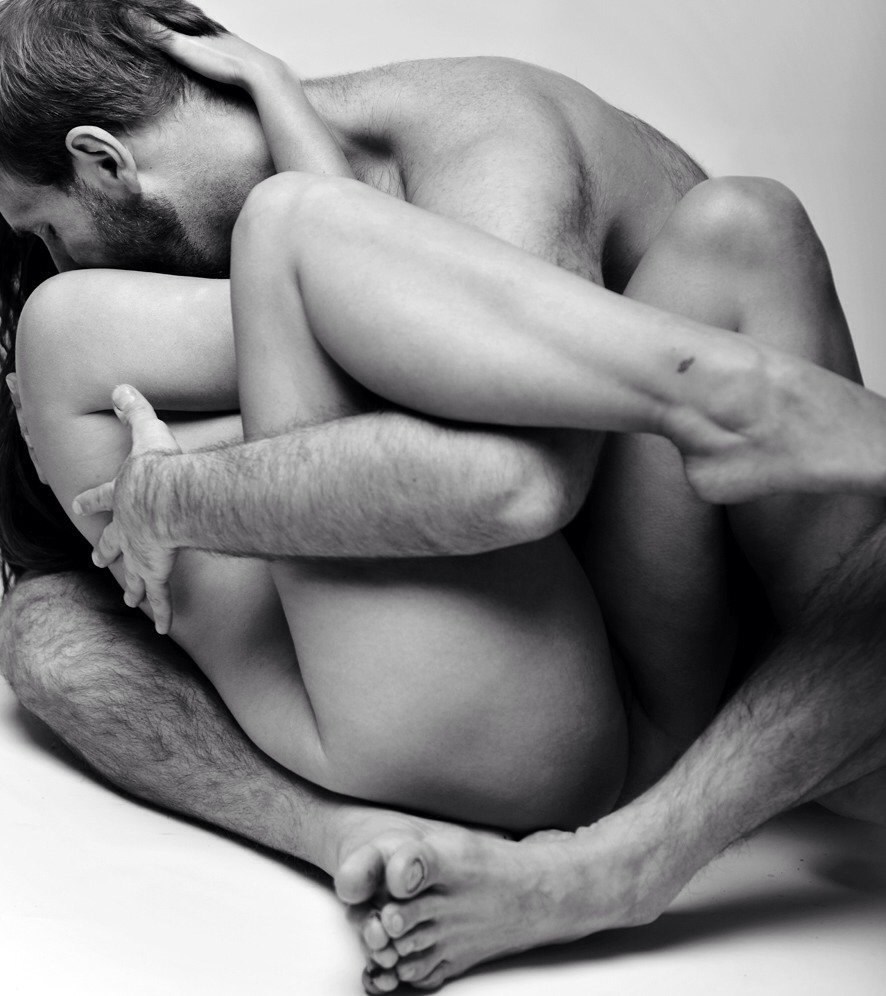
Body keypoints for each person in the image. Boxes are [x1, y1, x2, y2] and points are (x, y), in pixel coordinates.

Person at [0, 1, 884, 992]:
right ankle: (719, 391)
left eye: (45, 229)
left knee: (743, 226)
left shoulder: (483, 141)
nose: (50, 262)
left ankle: (722, 401)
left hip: (624, 678)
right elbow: (473, 446)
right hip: (525, 717)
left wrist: (175, 498)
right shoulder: (153, 287)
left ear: (103, 161)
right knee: (286, 236)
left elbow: (514, 476)